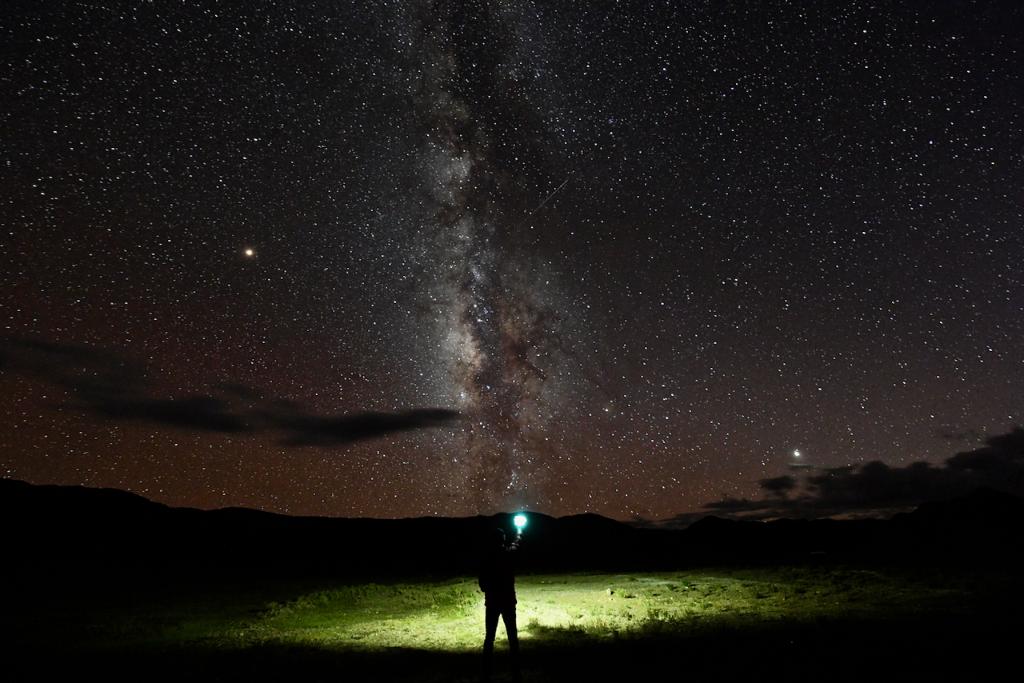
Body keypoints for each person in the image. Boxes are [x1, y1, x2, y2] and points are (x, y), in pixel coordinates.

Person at [479, 526, 521, 681]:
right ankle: (516, 671)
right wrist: (519, 531)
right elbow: (516, 545)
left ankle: (486, 671)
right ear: (503, 540)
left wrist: (490, 589)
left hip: (492, 602)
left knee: (489, 637)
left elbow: (482, 584)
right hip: (508, 601)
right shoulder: (508, 554)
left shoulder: (486, 558)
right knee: (512, 636)